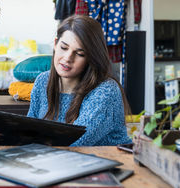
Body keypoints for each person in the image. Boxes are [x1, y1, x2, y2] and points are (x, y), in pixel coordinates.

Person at [28, 15, 132, 146]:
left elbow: (75, 143)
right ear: (55, 44)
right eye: (64, 48)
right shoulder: (43, 81)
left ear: (91, 57)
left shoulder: (106, 91)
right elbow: (28, 133)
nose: (67, 58)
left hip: (105, 163)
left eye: (80, 54)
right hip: (58, 162)